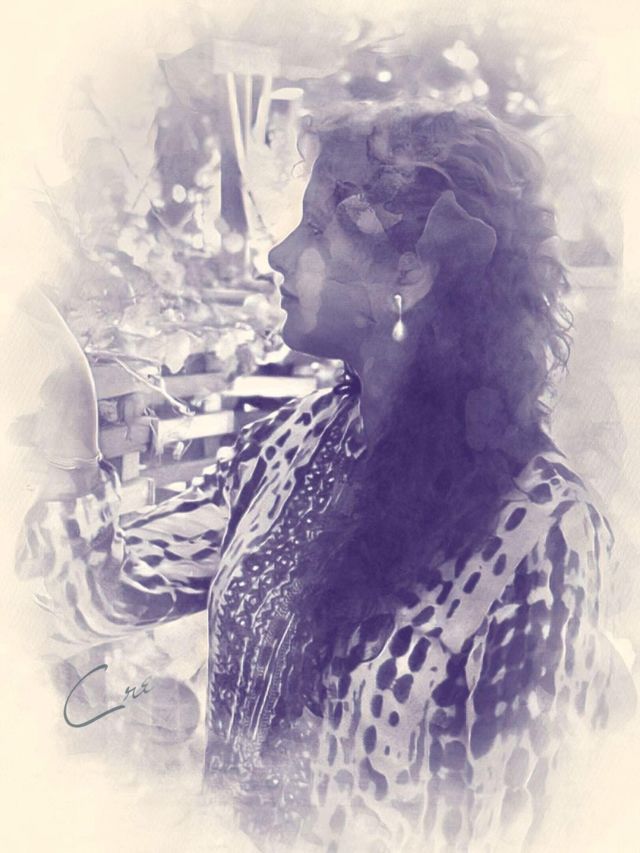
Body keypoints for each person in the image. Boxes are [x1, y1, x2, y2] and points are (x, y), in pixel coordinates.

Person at [16, 100, 632, 852]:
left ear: (408, 270)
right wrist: (69, 429)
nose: (277, 256)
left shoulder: (541, 533)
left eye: (314, 230)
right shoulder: (287, 445)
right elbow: (95, 597)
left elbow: (537, 827)